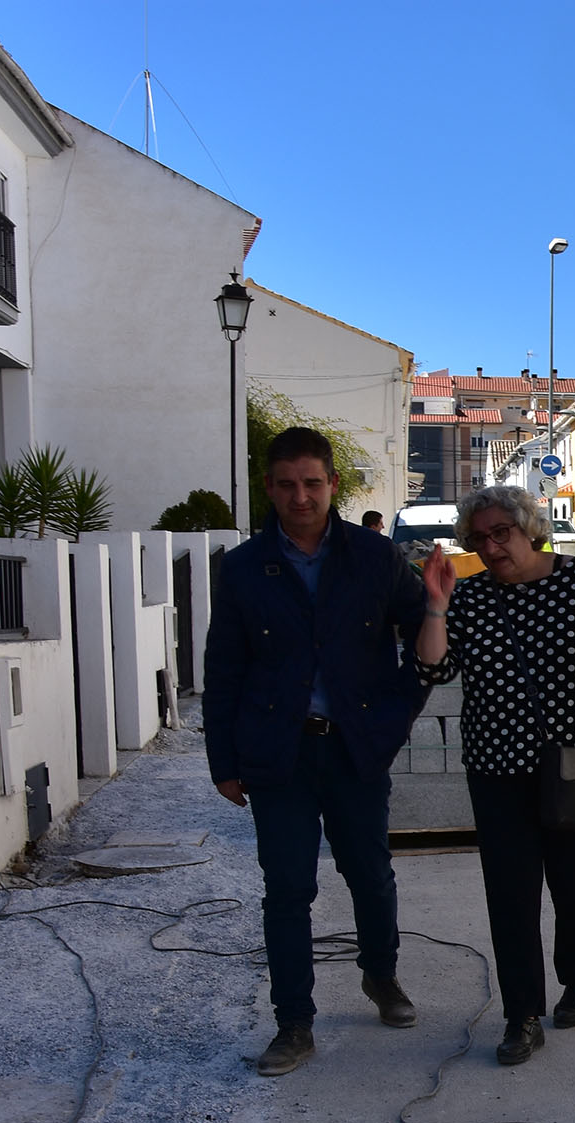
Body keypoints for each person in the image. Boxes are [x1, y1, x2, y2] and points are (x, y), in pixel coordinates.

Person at [205, 428, 431, 1076]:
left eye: (311, 482)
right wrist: (224, 760)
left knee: (370, 876)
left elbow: (424, 629)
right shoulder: (244, 568)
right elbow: (223, 667)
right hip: (279, 755)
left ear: (333, 484)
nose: (299, 496)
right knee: (287, 891)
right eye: (286, 484)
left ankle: (381, 977)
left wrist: (394, 716)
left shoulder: (374, 556)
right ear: (269, 488)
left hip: (357, 751)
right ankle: (294, 1024)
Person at [417, 485, 575, 1065]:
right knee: (510, 894)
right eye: (480, 538)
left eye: (503, 533)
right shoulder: (467, 600)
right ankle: (520, 1016)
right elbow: (433, 666)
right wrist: (437, 604)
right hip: (498, 767)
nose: (493, 547)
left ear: (529, 528)